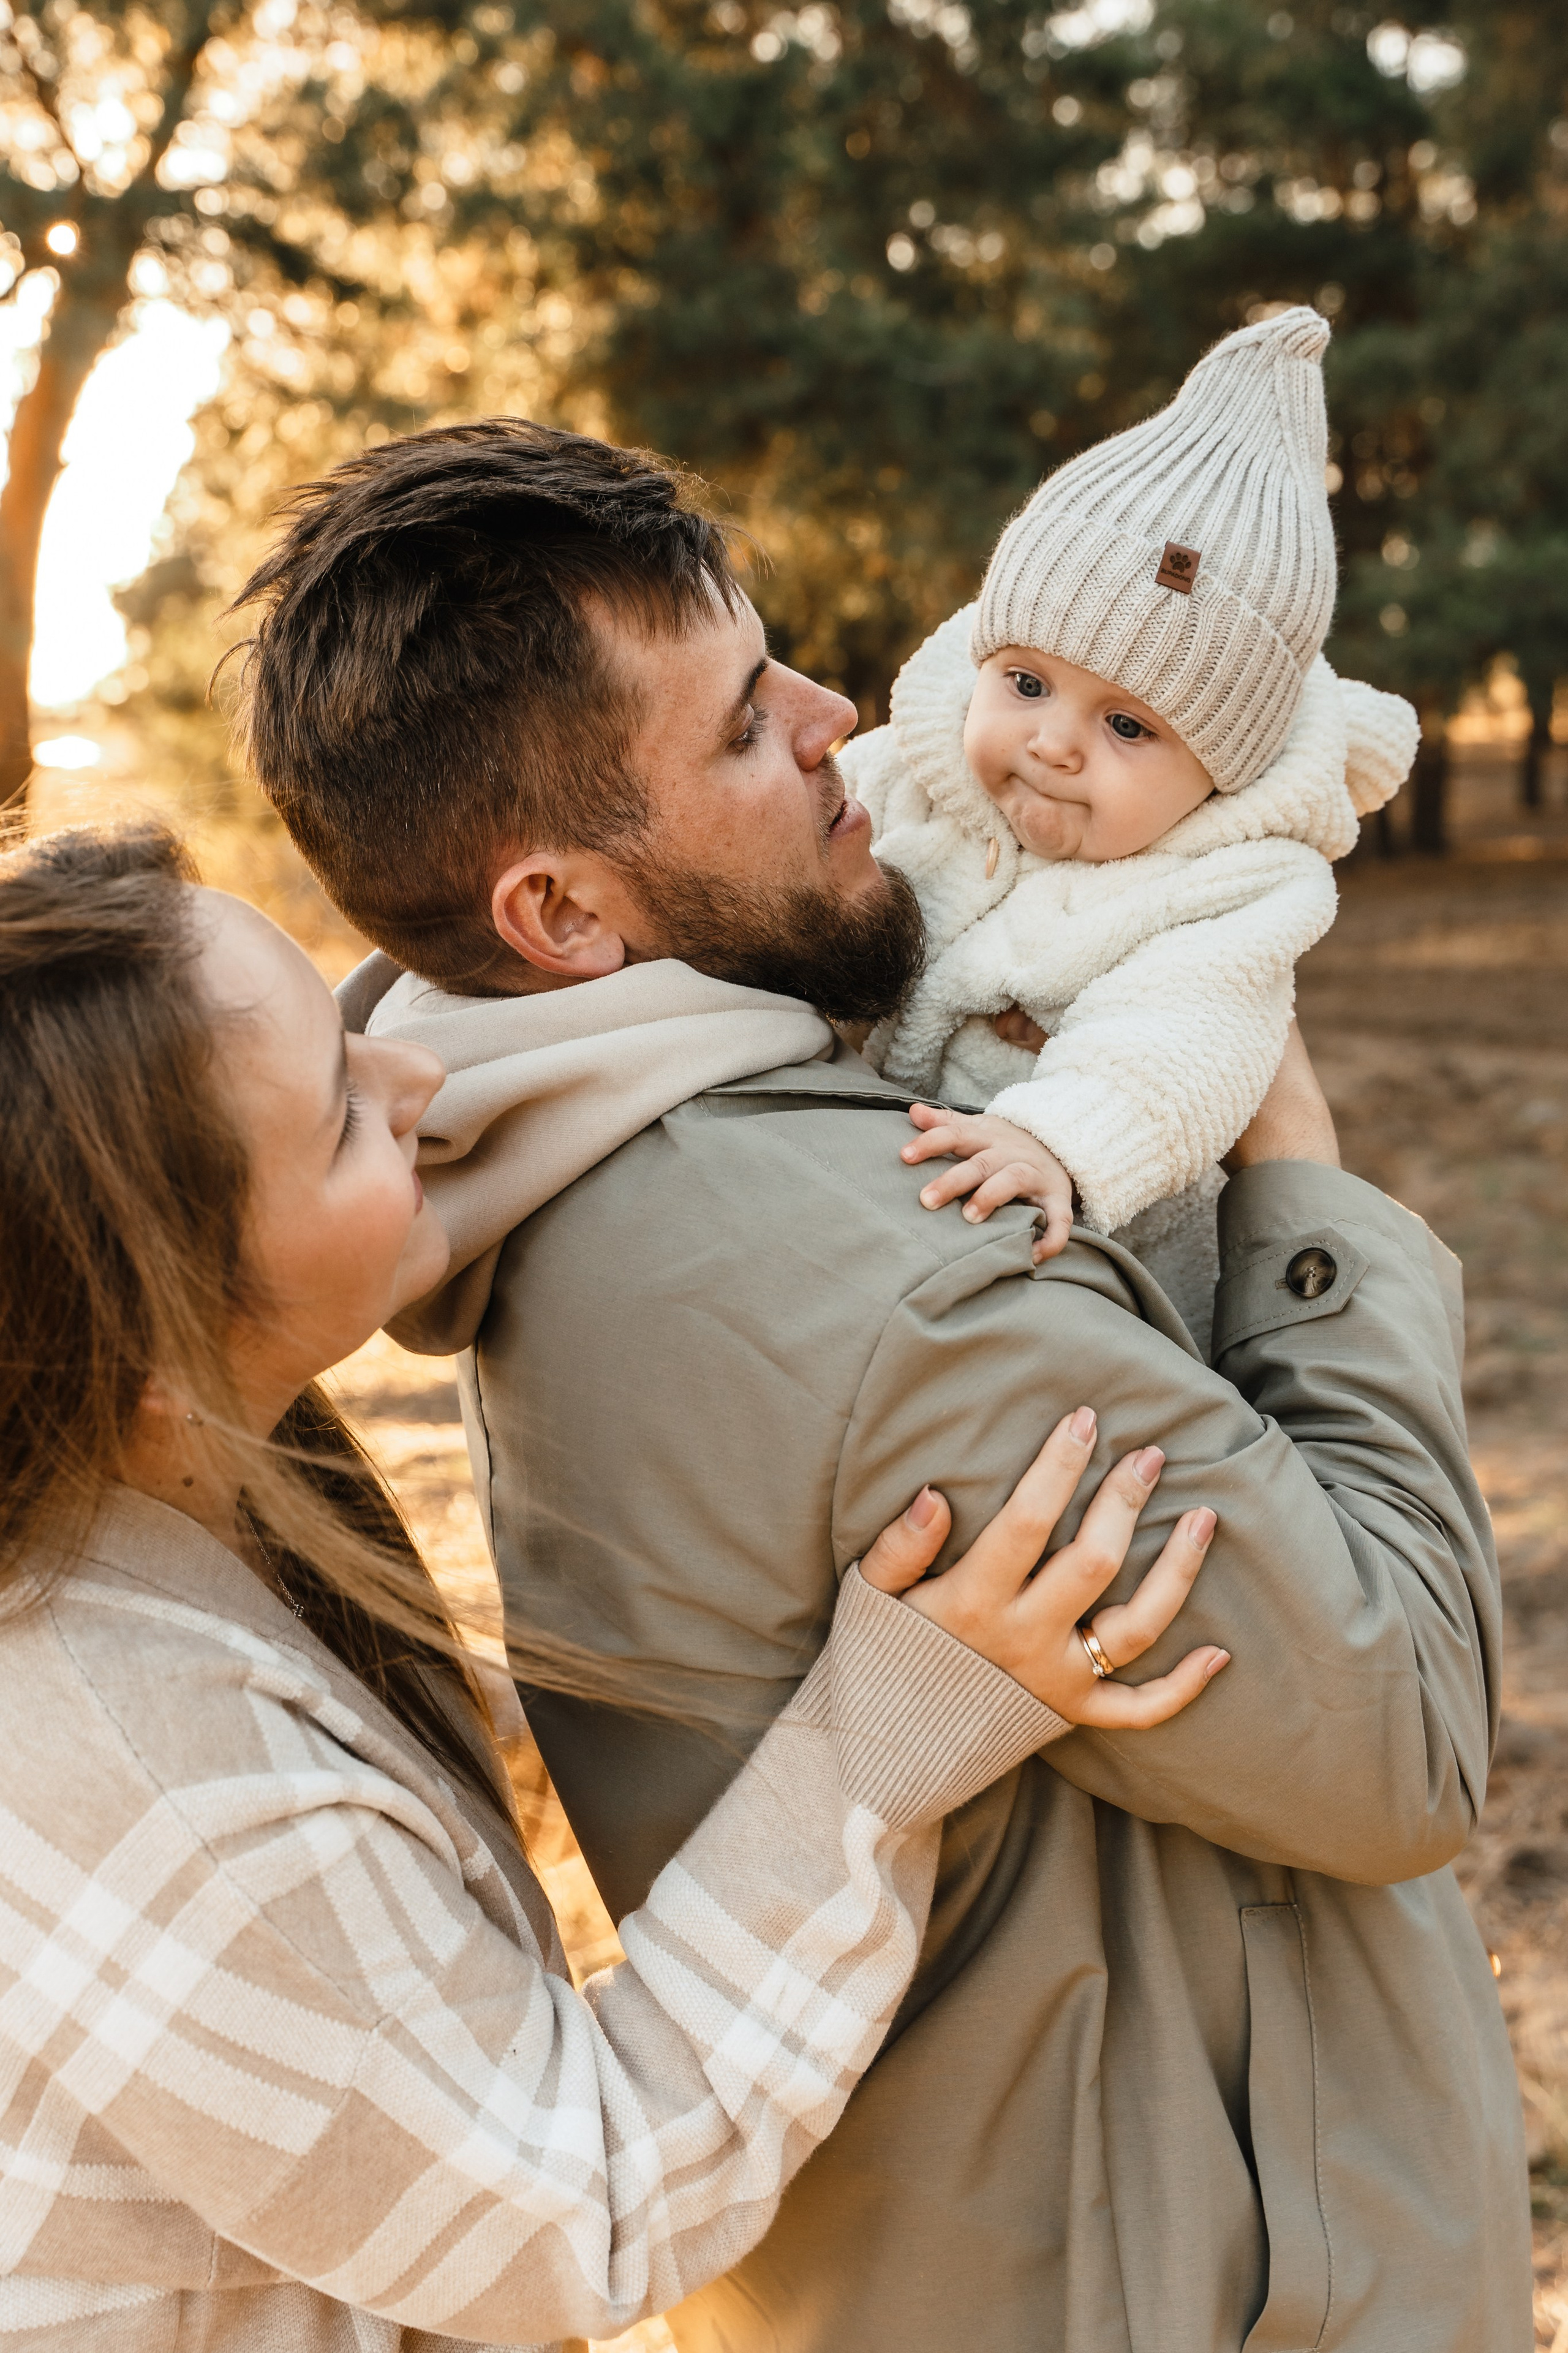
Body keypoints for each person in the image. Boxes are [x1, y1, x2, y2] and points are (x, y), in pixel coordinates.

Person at [233, 417, 1530, 2353]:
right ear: (562, 914)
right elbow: (1407, 1731)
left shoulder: (532, 1154)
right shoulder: (904, 1275)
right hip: (1188, 2289)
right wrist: (1303, 1185)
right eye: (745, 727)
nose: (840, 716)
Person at [0, 821, 1226, 2352]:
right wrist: (873, 1744)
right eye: (337, 1122)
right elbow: (575, 2207)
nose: (413, 1078)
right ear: (158, 1341)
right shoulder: (150, 1776)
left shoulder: (166, 1487)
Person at [840, 307, 1418, 1346]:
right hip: (868, 1227)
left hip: (1100, 1287)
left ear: (1221, 770)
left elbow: (1183, 1043)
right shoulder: (905, 769)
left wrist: (1054, 1139)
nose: (1053, 744)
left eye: (1127, 726)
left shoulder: (1231, 883)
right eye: (1025, 683)